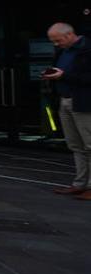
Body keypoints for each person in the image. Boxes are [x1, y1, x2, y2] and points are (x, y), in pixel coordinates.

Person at [44, 22, 91, 199]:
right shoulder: (63, 51)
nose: (56, 44)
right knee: (75, 145)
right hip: (65, 100)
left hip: (83, 102)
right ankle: (80, 183)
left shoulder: (87, 49)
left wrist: (64, 76)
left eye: (58, 40)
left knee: (89, 144)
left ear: (70, 35)